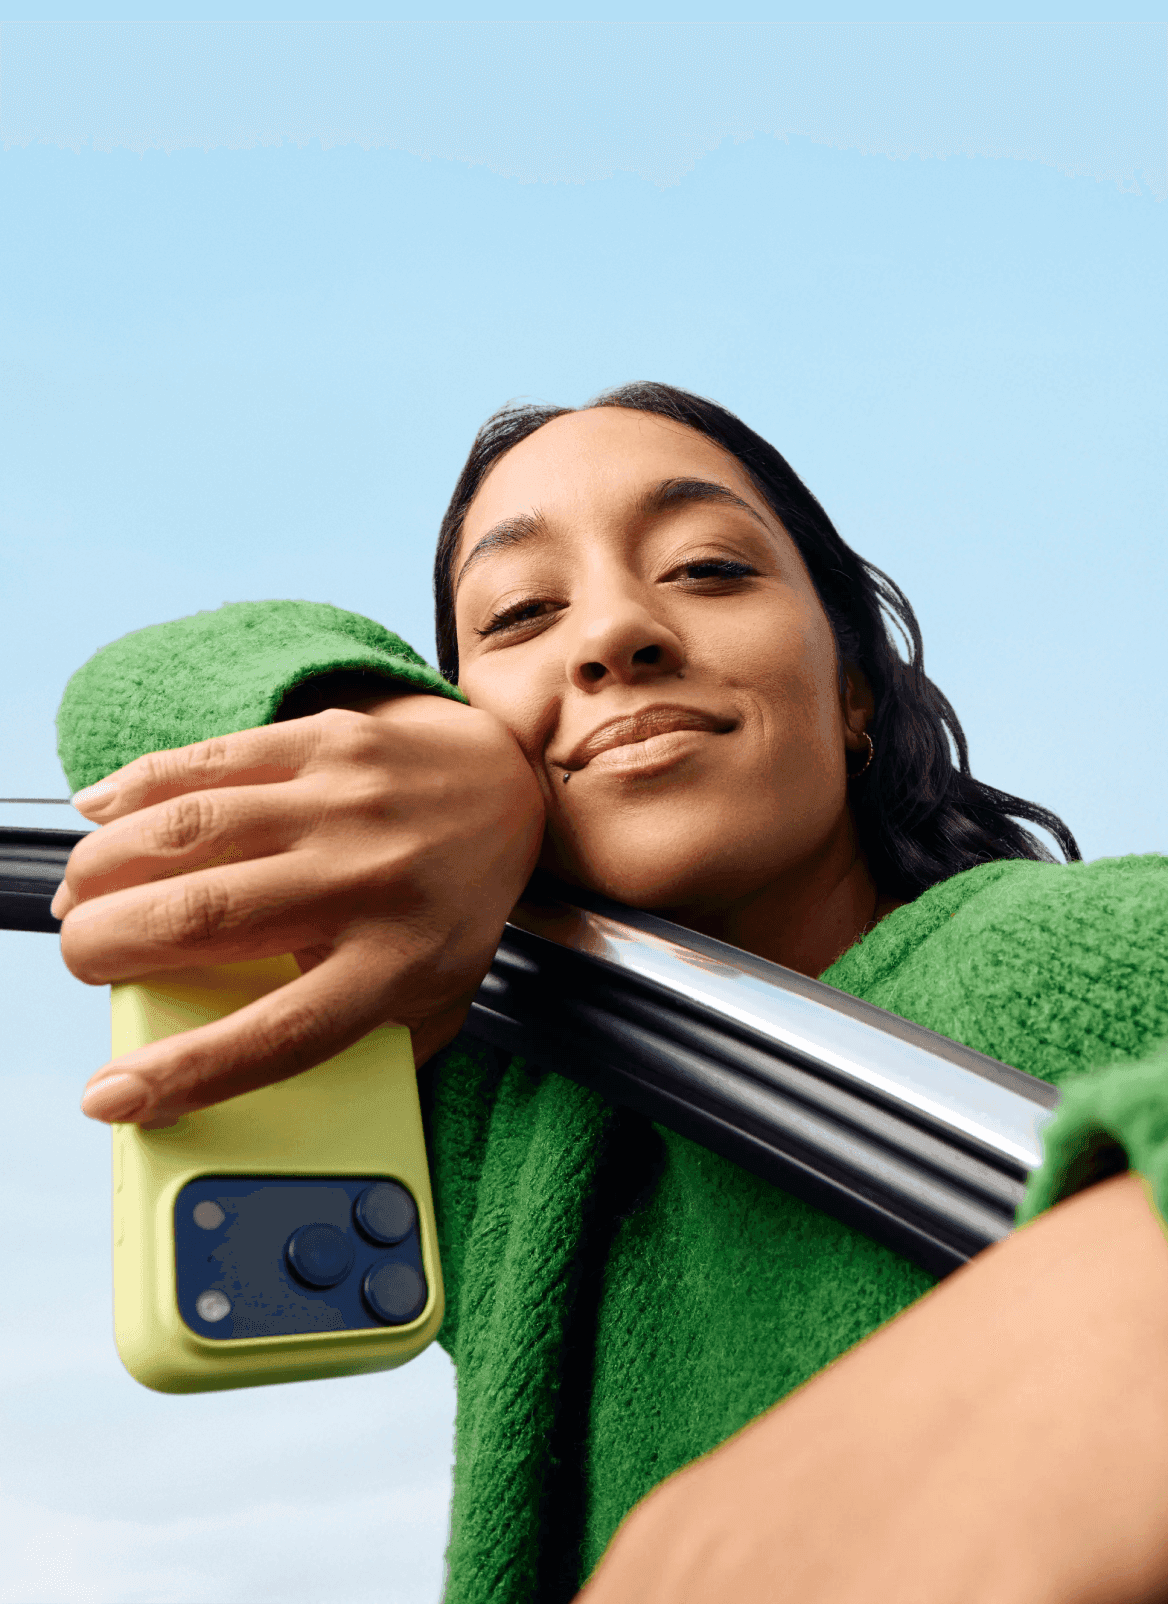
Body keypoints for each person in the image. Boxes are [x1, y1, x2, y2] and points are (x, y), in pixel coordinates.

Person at [52, 383, 1168, 1603]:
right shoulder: (503, 1094)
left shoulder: (1074, 940)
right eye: (523, 611)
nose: (612, 636)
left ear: (852, 692)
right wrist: (385, 721)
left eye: (705, 568)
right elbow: (127, 695)